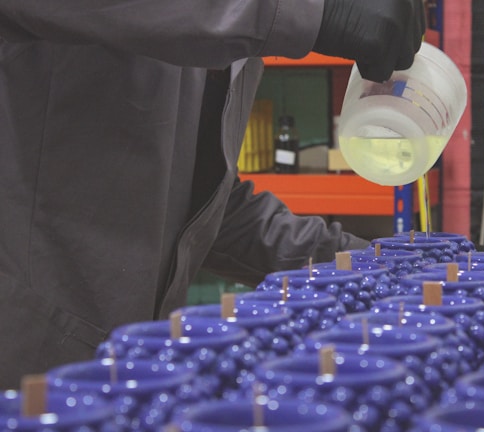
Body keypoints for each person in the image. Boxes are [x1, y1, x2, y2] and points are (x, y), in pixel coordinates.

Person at [0, 0, 425, 389]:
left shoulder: (239, 38)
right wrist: (312, 11)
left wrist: (369, 264)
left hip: (128, 373)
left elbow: (200, 206)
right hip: (26, 360)